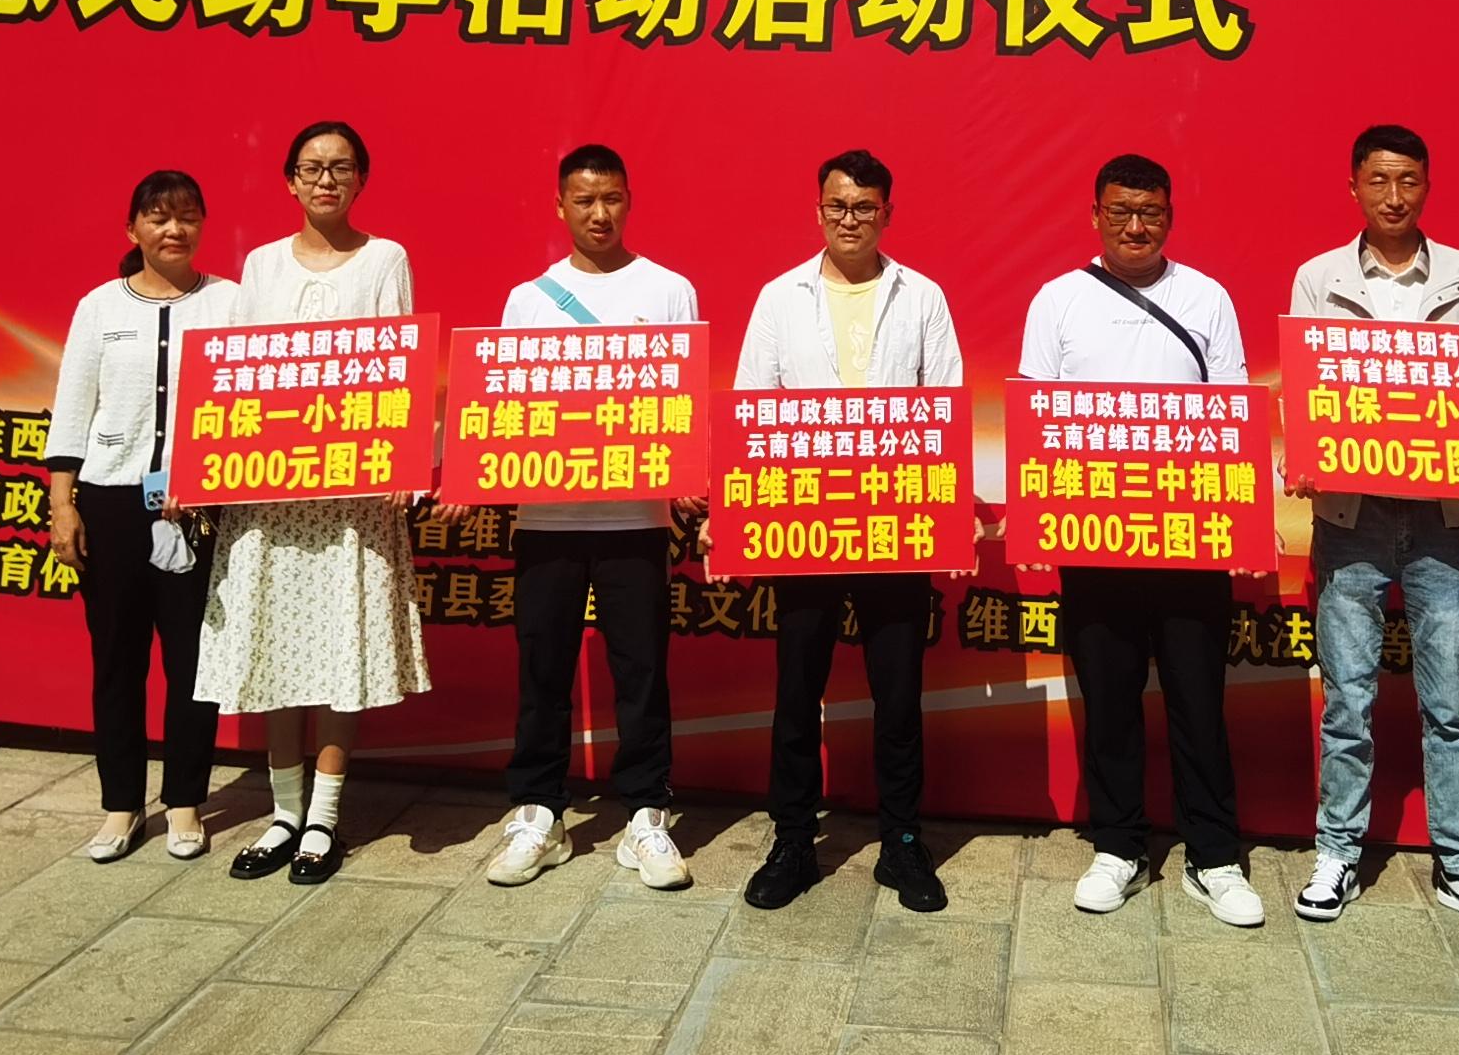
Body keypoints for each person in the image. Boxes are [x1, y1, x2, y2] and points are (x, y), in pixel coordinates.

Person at [1286, 123, 1459, 937]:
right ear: (1353, 187)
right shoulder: (1318, 277)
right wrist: (1305, 452)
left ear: (1428, 186)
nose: (1394, 197)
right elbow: (1309, 386)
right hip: (1351, 515)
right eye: (1379, 181)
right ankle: (1337, 851)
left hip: (1444, 518)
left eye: (1409, 181)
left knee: (1448, 702)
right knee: (1348, 698)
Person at [1020, 152, 1265, 928]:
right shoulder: (1058, 300)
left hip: (1190, 540)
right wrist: (1037, 517)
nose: (1135, 226)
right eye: (1121, 211)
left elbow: (1233, 409)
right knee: (1110, 699)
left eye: (1150, 213)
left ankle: (1214, 856)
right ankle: (1117, 846)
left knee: (1199, 700)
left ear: (1170, 217)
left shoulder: (1206, 297)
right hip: (1094, 539)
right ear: (1095, 215)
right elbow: (1036, 415)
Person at [197, 121, 432, 886]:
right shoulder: (260, 266)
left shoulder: (386, 258)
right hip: (271, 494)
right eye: (311, 168)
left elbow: (400, 364)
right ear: (291, 180)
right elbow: (234, 373)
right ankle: (283, 814)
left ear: (361, 178)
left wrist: (406, 458)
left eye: (340, 167)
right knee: (275, 645)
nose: (325, 180)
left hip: (352, 500)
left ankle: (324, 819)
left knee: (339, 650)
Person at [733, 148, 963, 915]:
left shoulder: (922, 296)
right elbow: (752, 406)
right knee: (797, 692)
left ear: (888, 213)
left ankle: (902, 842)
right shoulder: (780, 298)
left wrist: (947, 515)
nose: (850, 219)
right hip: (804, 524)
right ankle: (793, 840)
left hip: (896, 526)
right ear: (818, 211)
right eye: (837, 206)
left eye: (865, 207)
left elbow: (947, 403)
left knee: (898, 694)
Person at [482, 143, 698, 892]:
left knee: (642, 670)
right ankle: (539, 813)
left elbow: (683, 401)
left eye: (611, 198)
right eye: (583, 200)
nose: (599, 213)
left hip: (636, 519)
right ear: (560, 206)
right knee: (542, 668)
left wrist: (688, 478)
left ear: (629, 200)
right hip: (547, 518)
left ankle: (645, 814)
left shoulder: (668, 290)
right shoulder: (527, 300)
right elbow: (506, 406)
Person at [44, 169, 243, 864]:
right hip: (112, 501)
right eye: (158, 217)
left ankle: (185, 801)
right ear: (133, 229)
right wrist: (62, 504)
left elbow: (247, 403)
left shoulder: (230, 303)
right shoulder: (100, 306)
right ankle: (121, 805)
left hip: (199, 507)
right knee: (117, 659)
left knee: (193, 661)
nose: (173, 229)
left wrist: (208, 474)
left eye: (187, 216)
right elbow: (73, 406)